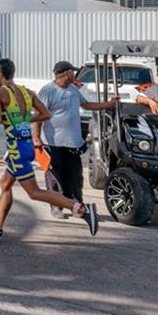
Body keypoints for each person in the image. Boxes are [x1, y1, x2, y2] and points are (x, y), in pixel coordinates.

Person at [0, 58, 99, 241]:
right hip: (25, 146)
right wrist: (24, 120)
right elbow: (45, 114)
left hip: (17, 148)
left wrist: (10, 117)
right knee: (5, 184)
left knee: (34, 193)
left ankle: (80, 208)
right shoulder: (27, 92)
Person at [37, 60, 113, 216]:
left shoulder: (73, 89)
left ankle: (76, 204)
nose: (75, 74)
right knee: (55, 176)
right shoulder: (47, 91)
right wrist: (36, 138)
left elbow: (86, 105)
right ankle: (56, 206)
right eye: (73, 71)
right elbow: (38, 116)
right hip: (52, 143)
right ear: (66, 73)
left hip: (73, 142)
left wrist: (108, 104)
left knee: (75, 175)